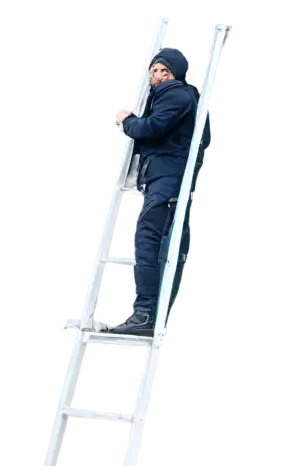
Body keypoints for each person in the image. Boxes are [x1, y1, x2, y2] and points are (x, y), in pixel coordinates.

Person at [100, 45, 202, 336]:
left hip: (166, 180)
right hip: (161, 179)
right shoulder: (170, 96)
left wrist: (128, 120)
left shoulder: (175, 93)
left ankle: (144, 315)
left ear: (175, 74)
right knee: (150, 244)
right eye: (154, 71)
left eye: (164, 71)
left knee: (147, 244)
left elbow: (152, 128)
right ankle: (148, 313)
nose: (157, 77)